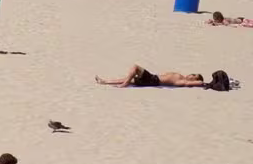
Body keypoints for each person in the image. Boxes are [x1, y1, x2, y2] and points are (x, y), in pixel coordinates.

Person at [97, 67, 233, 90]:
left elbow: (196, 83)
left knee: (135, 67)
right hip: (152, 79)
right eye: (193, 74)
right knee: (129, 78)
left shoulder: (183, 81)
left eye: (194, 77)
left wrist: (202, 83)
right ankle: (105, 81)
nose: (191, 76)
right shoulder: (181, 75)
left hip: (154, 80)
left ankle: (124, 85)